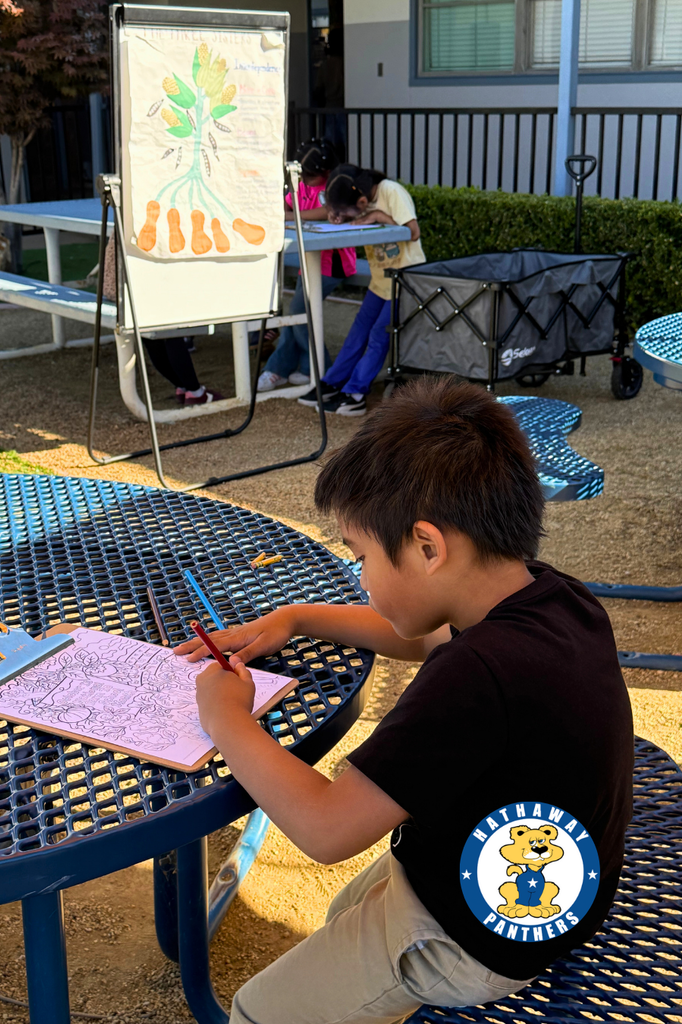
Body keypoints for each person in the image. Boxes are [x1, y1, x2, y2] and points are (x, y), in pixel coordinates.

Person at [174, 376, 633, 1024]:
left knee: (256, 1011)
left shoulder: (475, 678)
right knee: (344, 916)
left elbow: (327, 828)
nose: (359, 579)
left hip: (480, 936)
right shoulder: (548, 598)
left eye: (360, 556)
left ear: (426, 547)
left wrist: (224, 718)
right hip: (547, 882)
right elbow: (419, 631)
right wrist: (298, 617)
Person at [299, 164, 425, 416]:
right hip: (380, 279)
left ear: (363, 199)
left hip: (404, 279)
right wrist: (338, 216)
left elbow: (412, 232)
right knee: (358, 331)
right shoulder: (358, 197)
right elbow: (339, 213)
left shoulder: (391, 191)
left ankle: (356, 391)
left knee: (379, 334)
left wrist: (379, 217)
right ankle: (333, 382)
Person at [257, 138, 357, 392]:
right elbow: (286, 203)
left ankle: (305, 368)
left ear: (324, 172)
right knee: (301, 311)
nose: (305, 179)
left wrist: (290, 215)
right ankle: (304, 366)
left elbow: (327, 211)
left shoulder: (336, 186)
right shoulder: (301, 185)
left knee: (300, 311)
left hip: (333, 262)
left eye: (310, 175)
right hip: (309, 259)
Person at [102, 236, 222, 405]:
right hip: (139, 287)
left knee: (154, 337)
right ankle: (194, 391)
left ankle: (184, 386)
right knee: (171, 333)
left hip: (119, 285)